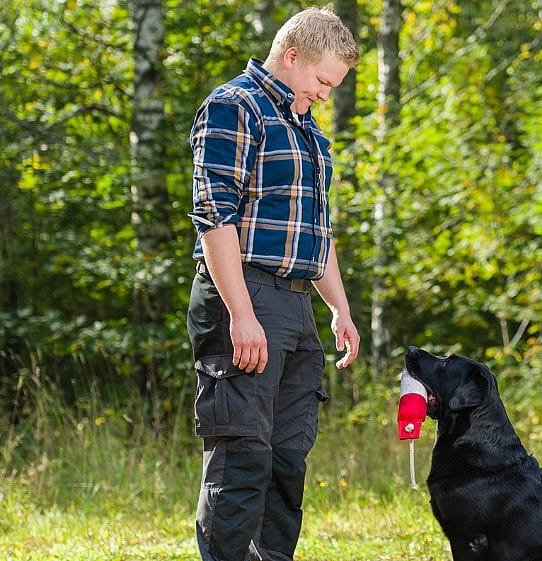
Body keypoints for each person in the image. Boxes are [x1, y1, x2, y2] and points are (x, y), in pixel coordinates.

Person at [186, 8, 360, 561]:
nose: (326, 94)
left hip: (294, 304)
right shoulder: (233, 107)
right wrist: (240, 313)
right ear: (292, 57)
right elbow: (215, 216)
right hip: (243, 294)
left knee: (286, 462)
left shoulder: (307, 129)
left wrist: (340, 309)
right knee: (242, 457)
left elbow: (316, 231)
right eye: (322, 81)